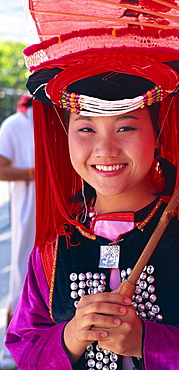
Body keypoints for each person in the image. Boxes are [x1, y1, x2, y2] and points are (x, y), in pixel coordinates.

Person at [5, 6, 179, 370]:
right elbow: (25, 345)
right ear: (64, 136)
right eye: (86, 128)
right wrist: (69, 338)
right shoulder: (57, 242)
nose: (105, 149)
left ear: (158, 133)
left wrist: (150, 342)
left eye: (126, 127)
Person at [0, 93, 35, 369]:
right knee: (21, 275)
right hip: (27, 210)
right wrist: (33, 173)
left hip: (57, 208)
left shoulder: (56, 124)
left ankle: (36, 344)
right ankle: (11, 347)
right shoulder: (13, 125)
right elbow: (1, 169)